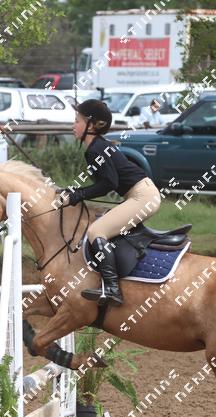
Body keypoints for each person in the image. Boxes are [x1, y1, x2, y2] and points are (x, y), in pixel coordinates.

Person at [61, 99, 162, 306]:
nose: (73, 125)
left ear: (92, 125)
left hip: (143, 196)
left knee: (96, 231)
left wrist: (78, 195)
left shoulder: (95, 149)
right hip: (140, 194)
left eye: (77, 121)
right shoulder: (96, 147)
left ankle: (112, 288)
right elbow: (105, 183)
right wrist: (76, 192)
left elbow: (109, 183)